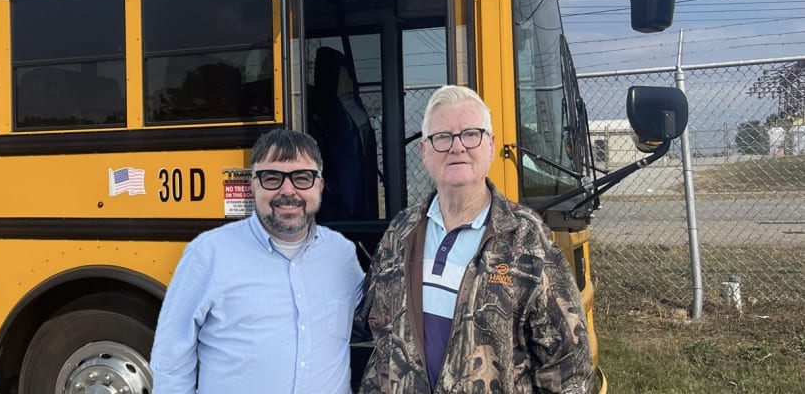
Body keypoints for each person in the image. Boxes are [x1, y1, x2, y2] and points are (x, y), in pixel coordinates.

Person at [355, 85, 593, 393]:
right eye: (442, 137)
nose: (457, 147)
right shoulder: (400, 232)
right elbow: (379, 339)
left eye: (471, 134)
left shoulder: (527, 239)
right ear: (425, 152)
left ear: (491, 146)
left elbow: (569, 369)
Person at [150, 128, 365, 393]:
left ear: (319, 186)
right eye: (272, 178)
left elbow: (374, 319)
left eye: (302, 178)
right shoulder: (208, 254)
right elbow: (171, 356)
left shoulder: (341, 254)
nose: (288, 191)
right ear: (253, 185)